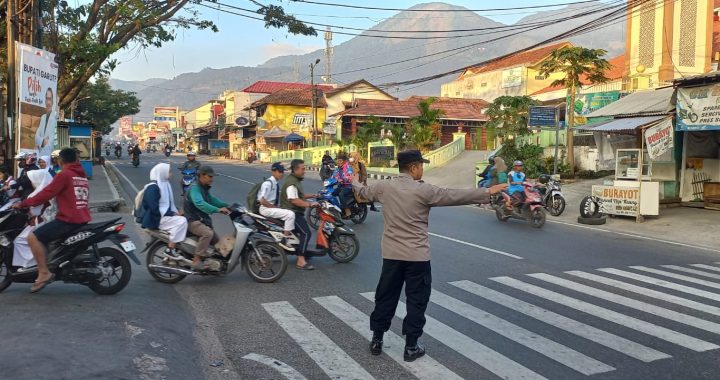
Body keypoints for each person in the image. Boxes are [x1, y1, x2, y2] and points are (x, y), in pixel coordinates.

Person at [352, 150, 506, 361]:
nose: (422, 169)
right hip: (417, 257)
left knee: (386, 296)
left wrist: (354, 181)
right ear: (414, 167)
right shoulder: (424, 190)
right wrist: (487, 192)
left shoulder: (384, 186)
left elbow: (363, 192)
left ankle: (377, 339)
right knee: (416, 301)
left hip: (392, 256)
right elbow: (453, 196)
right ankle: (411, 347)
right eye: (421, 166)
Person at [12, 148, 91, 293]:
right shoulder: (81, 176)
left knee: (33, 237)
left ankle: (43, 272)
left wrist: (23, 204)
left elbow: (46, 194)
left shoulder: (65, 175)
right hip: (82, 217)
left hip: (68, 220)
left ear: (61, 160)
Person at [183, 165, 230, 269]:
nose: (212, 179)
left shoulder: (203, 188)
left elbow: (212, 200)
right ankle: (197, 259)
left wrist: (228, 206)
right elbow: (199, 203)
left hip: (202, 220)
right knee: (207, 233)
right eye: (210, 176)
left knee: (219, 245)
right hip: (192, 220)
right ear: (202, 176)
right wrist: (217, 210)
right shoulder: (195, 188)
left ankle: (213, 263)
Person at [280, 159, 321, 271]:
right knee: (306, 233)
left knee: (301, 234)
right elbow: (294, 200)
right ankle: (301, 260)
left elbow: (299, 196)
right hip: (293, 212)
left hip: (295, 211)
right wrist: (310, 204)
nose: (304, 171)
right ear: (295, 169)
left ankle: (302, 251)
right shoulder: (292, 184)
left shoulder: (295, 180)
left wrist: (313, 195)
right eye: (302, 169)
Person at [141, 163, 188, 258]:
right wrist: (172, 214)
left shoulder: (165, 184)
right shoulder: (153, 187)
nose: (171, 174)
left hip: (163, 215)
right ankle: (170, 249)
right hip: (156, 218)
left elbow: (168, 204)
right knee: (182, 221)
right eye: (169, 171)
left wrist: (177, 211)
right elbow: (154, 208)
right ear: (162, 172)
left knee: (187, 218)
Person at [13, 170, 55, 268]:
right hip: (46, 220)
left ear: (38, 180)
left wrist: (21, 206)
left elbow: (34, 207)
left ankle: (32, 263)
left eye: (32, 180)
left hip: (40, 221)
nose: (31, 183)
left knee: (19, 240)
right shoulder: (46, 190)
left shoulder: (39, 193)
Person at [257, 163, 295, 251]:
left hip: (269, 207)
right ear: (273, 171)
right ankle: (284, 240)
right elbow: (262, 201)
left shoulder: (275, 183)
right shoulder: (268, 184)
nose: (282, 174)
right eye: (280, 172)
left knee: (290, 211)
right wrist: (274, 207)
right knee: (290, 215)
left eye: (282, 172)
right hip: (265, 209)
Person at [35, 88, 57, 157]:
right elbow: (36, 138)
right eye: (46, 99)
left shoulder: (55, 117)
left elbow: (51, 141)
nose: (48, 102)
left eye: (50, 99)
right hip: (41, 155)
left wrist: (40, 143)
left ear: (53, 101)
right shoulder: (43, 117)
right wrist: (43, 141)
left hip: (48, 156)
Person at [332, 152, 354, 217]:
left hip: (349, 186)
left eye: (340, 160)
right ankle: (336, 209)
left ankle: (347, 210)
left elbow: (350, 176)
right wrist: (329, 180)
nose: (338, 162)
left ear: (344, 161)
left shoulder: (348, 167)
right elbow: (334, 175)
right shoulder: (338, 168)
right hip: (341, 186)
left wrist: (343, 179)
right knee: (331, 193)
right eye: (337, 160)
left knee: (341, 194)